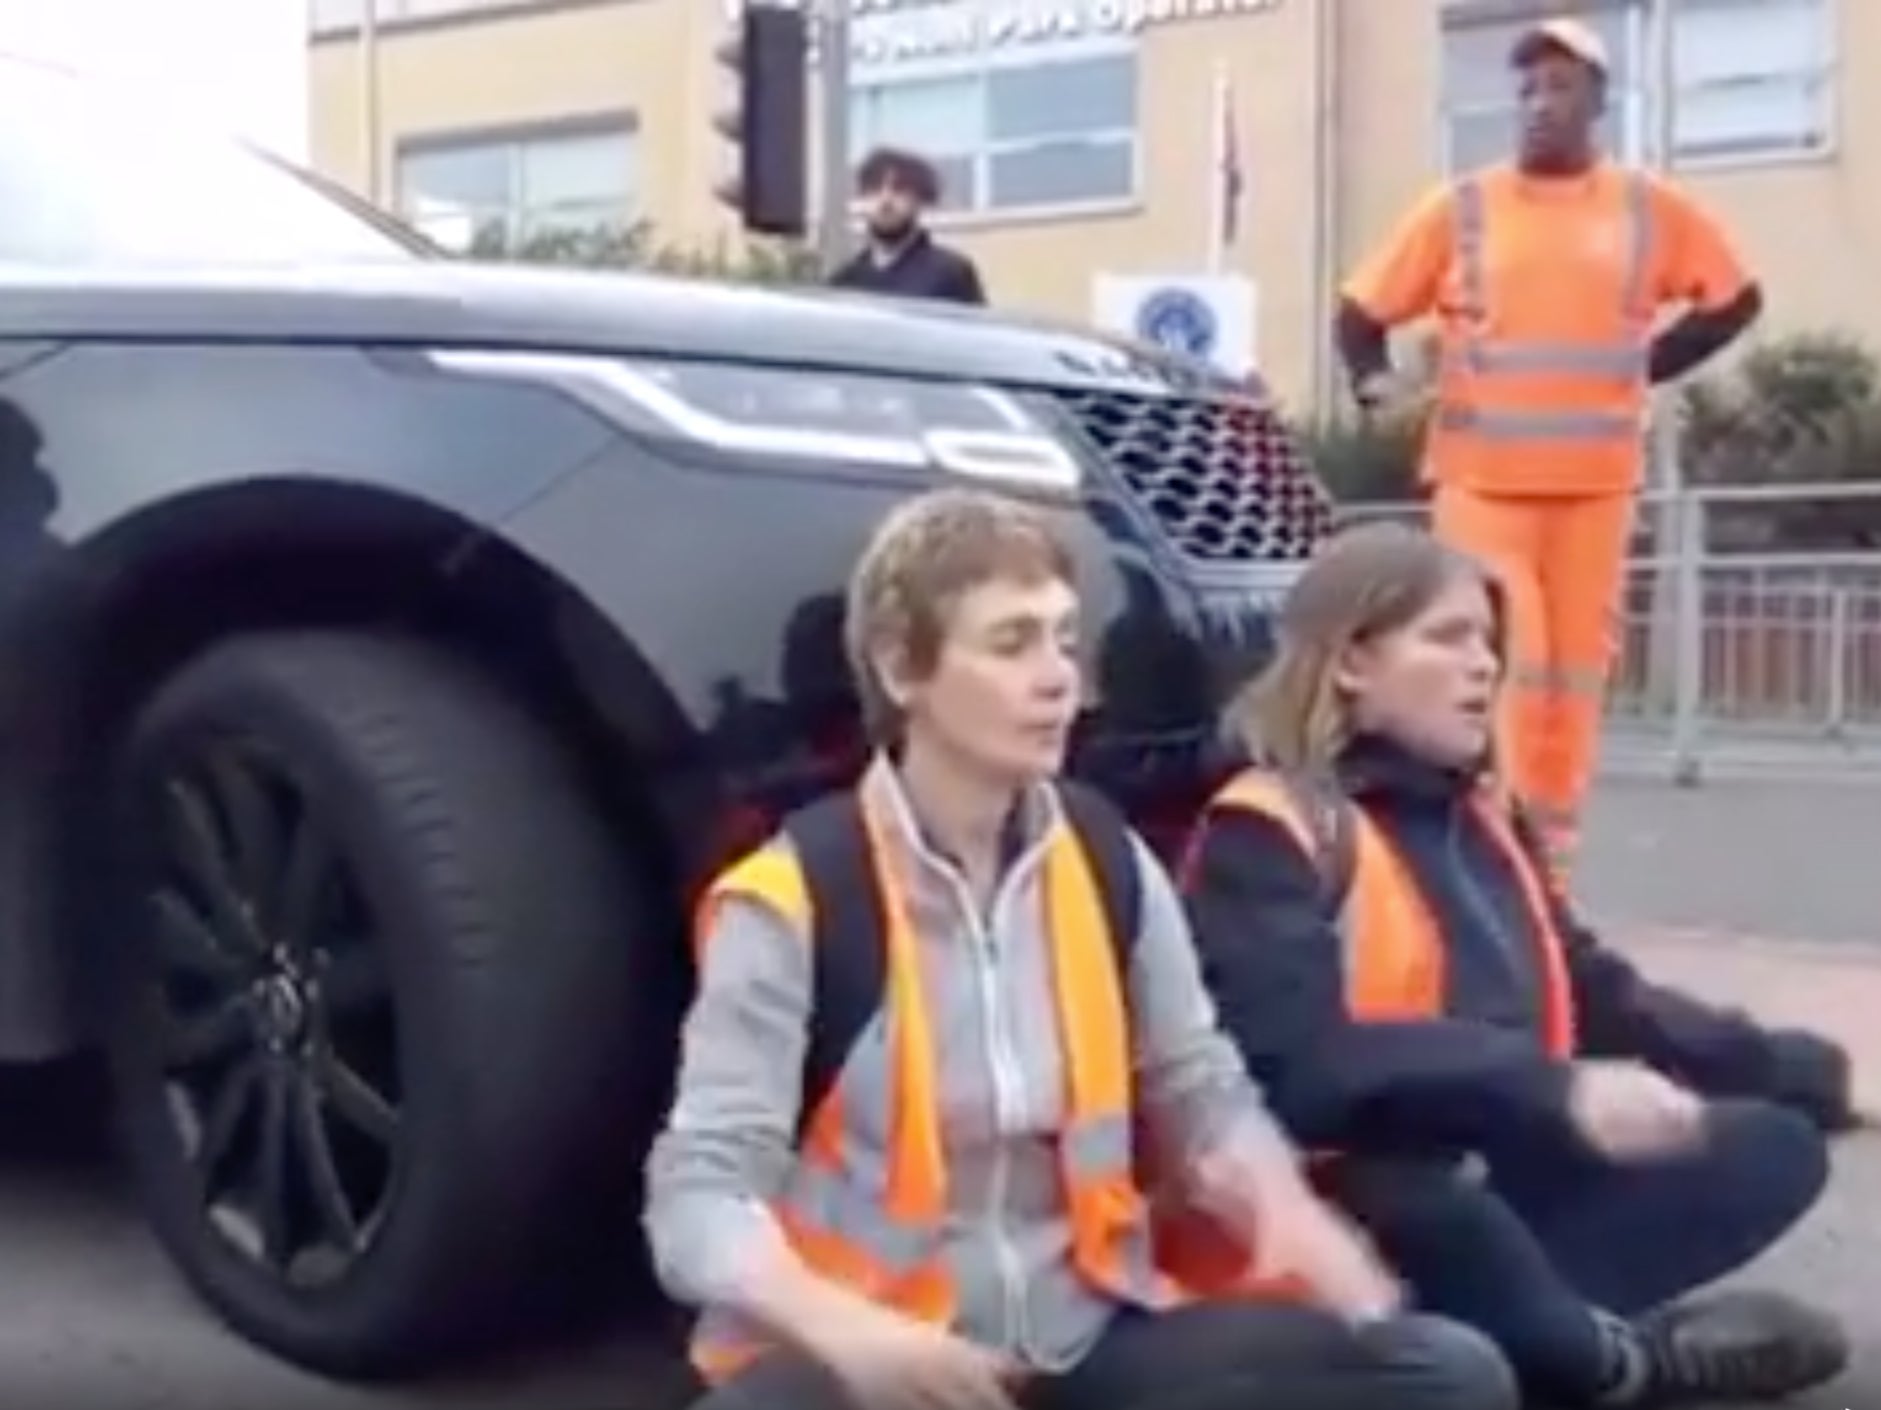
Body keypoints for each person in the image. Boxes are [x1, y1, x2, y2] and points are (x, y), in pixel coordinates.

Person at [643, 489, 1519, 1410]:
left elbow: (1200, 1090)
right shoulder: (791, 901)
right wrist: (848, 1333)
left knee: (1438, 1372)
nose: (1060, 677)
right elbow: (697, 1199)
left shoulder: (1107, 863)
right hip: (884, 1365)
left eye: (1064, 639)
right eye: (1012, 643)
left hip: (1083, 1352)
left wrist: (1292, 1223)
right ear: (904, 670)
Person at [1181, 520, 1855, 1408]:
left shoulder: (1484, 819)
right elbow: (1300, 1068)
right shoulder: (1265, 829)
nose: (1484, 666)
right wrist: (1551, 1088)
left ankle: (1533, 1331)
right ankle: (1608, 1360)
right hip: (1362, 1193)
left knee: (1771, 1143)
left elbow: (1600, 994)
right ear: (1349, 664)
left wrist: (1814, 1072)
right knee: (1440, 1217)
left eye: (1489, 644)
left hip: (1503, 1159)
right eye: (1447, 638)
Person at [1332, 16, 1762, 880]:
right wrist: (1373, 383)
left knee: (1572, 678)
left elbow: (1735, 300)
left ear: (1597, 102)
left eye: (1558, 88)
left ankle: (1547, 869)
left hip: (1594, 489)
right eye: (1525, 89)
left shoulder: (1645, 208)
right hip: (1482, 484)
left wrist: (1646, 367)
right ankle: (1483, 845)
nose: (1536, 105)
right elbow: (1359, 314)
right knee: (1497, 662)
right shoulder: (1462, 209)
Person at [828, 147, 987, 306]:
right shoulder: (845, 281)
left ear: (920, 199)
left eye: (899, 189)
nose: (885, 200)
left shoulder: (950, 273)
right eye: (874, 189)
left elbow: (977, 329)